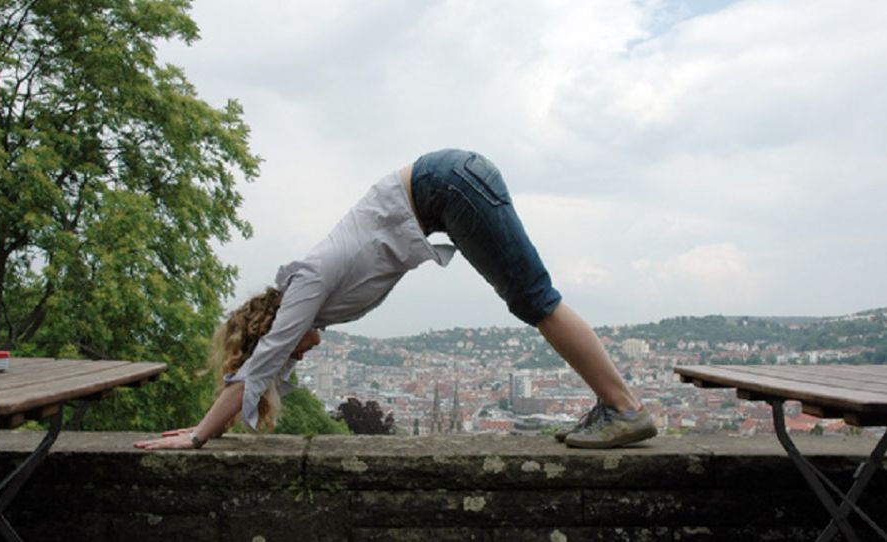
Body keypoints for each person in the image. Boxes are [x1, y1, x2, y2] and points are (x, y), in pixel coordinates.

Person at [134, 149, 657, 450]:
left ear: (277, 326)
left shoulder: (307, 285)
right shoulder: (313, 293)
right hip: (445, 186)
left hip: (445, 185)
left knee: (535, 300)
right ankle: (616, 404)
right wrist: (210, 425)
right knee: (530, 299)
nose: (301, 353)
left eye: (292, 348)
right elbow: (263, 365)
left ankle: (624, 407)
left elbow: (258, 364)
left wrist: (200, 434)